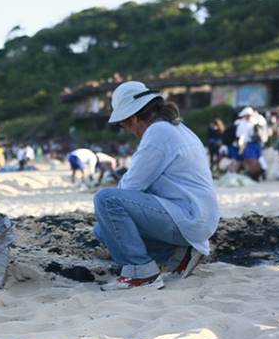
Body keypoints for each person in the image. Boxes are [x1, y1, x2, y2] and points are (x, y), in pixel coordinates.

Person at [93, 81, 219, 291]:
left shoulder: (158, 132)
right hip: (198, 217)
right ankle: (179, 254)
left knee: (105, 199)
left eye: (123, 125)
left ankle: (141, 273)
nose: (126, 131)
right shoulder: (177, 128)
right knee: (103, 230)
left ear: (133, 119)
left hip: (188, 216)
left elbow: (131, 186)